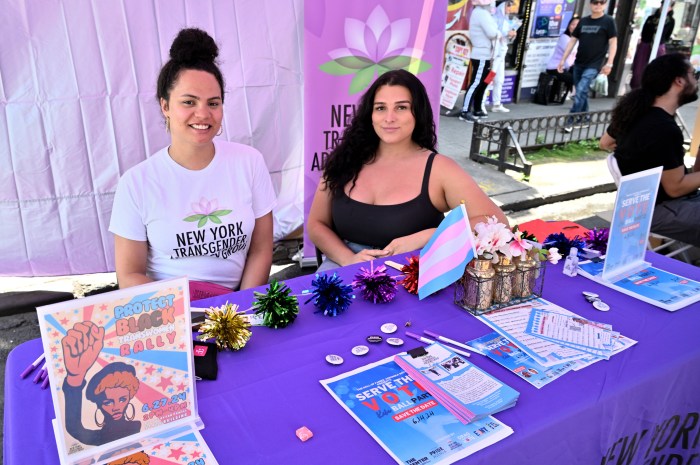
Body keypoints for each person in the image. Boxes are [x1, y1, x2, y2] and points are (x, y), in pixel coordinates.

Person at [109, 28, 276, 297]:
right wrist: (189, 312)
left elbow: (260, 250)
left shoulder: (249, 162)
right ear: (165, 106)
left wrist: (238, 311)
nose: (203, 114)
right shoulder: (137, 183)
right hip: (169, 313)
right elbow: (129, 276)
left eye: (213, 103)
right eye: (189, 102)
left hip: (237, 308)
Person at [308, 69, 507, 270]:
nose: (389, 118)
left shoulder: (439, 169)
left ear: (417, 113)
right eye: (380, 108)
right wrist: (348, 259)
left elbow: (497, 222)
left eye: (401, 107)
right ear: (370, 114)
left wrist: (428, 236)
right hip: (342, 271)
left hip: (413, 275)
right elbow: (317, 224)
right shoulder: (345, 159)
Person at [600, 53, 700, 246]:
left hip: (639, 207)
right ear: (679, 81)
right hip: (658, 211)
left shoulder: (635, 112)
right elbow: (675, 187)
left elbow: (605, 142)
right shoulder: (663, 128)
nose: (696, 80)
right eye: (693, 74)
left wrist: (639, 154)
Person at [62, 322, 141, 446]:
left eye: (122, 399)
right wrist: (75, 377)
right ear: (98, 404)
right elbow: (74, 428)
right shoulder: (99, 437)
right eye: (108, 402)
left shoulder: (138, 427)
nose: (116, 407)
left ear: (129, 397)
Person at [557, 0, 617, 129]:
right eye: (595, 2)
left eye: (602, 2)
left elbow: (613, 43)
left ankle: (571, 120)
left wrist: (610, 63)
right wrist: (563, 59)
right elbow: (573, 40)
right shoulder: (583, 21)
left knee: (580, 90)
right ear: (590, 4)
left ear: (605, 5)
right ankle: (585, 118)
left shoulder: (608, 21)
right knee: (582, 92)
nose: (598, 5)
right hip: (579, 62)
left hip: (594, 64)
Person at [458, 0, 501, 123]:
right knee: (477, 82)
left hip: (485, 54)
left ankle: (477, 109)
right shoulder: (481, 13)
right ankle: (465, 111)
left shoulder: (479, 12)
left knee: (483, 83)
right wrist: (499, 33)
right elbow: (492, 33)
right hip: (482, 55)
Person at [630, 2, 675, 89]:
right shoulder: (651, 18)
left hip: (658, 46)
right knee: (638, 70)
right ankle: (636, 89)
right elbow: (644, 32)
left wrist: (659, 42)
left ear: (671, 8)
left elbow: (667, 35)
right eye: (663, 4)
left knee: (656, 69)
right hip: (645, 44)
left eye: (668, 6)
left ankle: (650, 89)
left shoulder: (670, 21)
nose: (664, 7)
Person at [490, 0, 520, 113]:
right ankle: (482, 102)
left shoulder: (507, 20)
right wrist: (507, 34)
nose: (509, 10)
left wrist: (512, 35)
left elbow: (508, 38)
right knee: (490, 77)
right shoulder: (494, 19)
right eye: (508, 7)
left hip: (502, 52)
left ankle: (497, 103)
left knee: (500, 79)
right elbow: (493, 34)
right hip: (495, 53)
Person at [546, 15, 581, 97]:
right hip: (555, 68)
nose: (574, 27)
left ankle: (573, 93)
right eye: (572, 24)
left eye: (577, 25)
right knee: (576, 79)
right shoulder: (564, 37)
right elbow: (570, 51)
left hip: (567, 67)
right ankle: (575, 95)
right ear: (569, 25)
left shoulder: (578, 39)